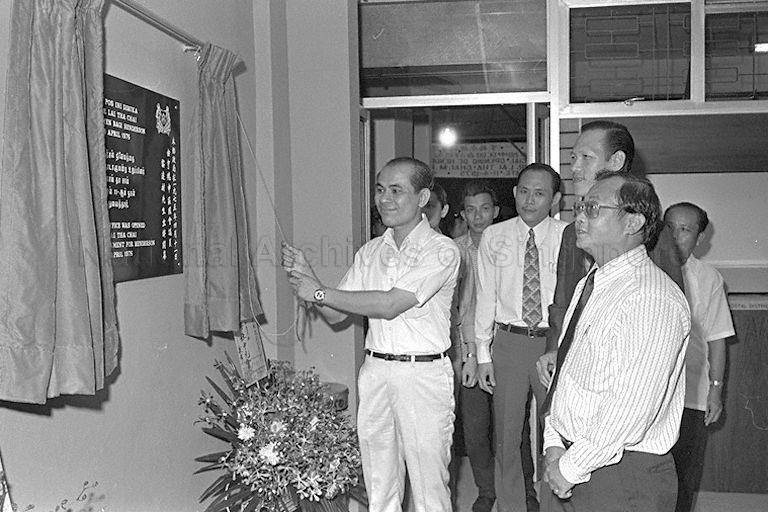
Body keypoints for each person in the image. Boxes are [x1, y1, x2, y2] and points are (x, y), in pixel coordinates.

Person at [282, 157, 460, 512]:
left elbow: (390, 304)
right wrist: (310, 279)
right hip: (376, 371)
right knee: (379, 484)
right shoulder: (372, 251)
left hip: (422, 376)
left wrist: (319, 292)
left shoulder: (442, 250)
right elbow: (335, 314)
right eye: (380, 190)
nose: (385, 199)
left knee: (429, 490)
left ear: (423, 197)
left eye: (397, 191)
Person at [540, 172, 690, 511]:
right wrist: (553, 443)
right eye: (580, 206)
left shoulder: (651, 297)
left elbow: (630, 409)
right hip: (574, 459)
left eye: (592, 208)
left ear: (633, 222)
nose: (578, 216)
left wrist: (570, 467)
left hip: (621, 474)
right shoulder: (591, 283)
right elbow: (565, 375)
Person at [537, 120, 685, 390]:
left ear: (616, 160)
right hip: (570, 375)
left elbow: (663, 323)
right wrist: (553, 347)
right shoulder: (573, 234)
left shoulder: (650, 234)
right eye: (573, 157)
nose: (575, 167)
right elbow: (563, 304)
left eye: (586, 157)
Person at [475, 163, 568, 512]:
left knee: (556, 431)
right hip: (509, 343)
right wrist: (483, 354)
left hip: (552, 343)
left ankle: (554, 507)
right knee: (507, 436)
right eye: (524, 191)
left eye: (540, 193)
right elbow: (485, 297)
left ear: (555, 199)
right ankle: (512, 506)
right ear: (514, 192)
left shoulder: (568, 236)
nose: (530, 200)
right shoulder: (494, 236)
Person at [665, 202, 734, 512]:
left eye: (686, 230)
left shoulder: (708, 278)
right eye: (670, 227)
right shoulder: (642, 269)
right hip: (647, 396)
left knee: (683, 477)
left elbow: (717, 338)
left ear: (700, 238)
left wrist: (716, 389)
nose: (676, 236)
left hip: (690, 395)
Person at [453, 181, 500, 512]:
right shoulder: (451, 250)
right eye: (470, 209)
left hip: (503, 346)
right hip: (465, 352)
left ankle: (521, 491)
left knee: (512, 430)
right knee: (474, 428)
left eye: (484, 208)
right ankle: (486, 490)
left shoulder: (507, 247)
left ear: (495, 211)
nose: (478, 216)